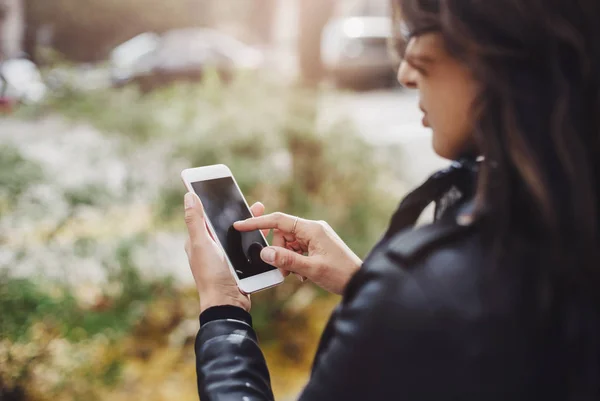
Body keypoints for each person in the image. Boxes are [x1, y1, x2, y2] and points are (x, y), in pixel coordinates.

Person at [183, 0, 600, 399]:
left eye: (420, 32)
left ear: (503, 49)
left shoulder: (432, 284)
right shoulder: (563, 232)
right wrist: (365, 288)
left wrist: (224, 312)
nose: (405, 72)